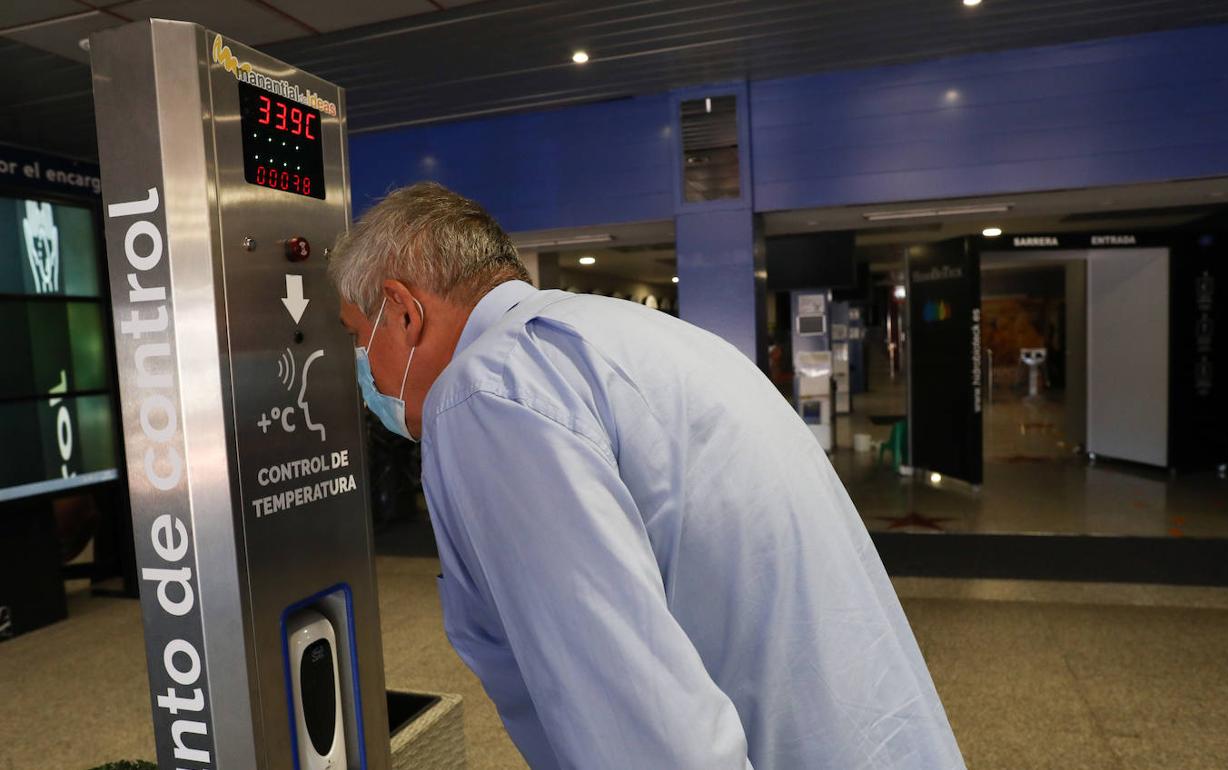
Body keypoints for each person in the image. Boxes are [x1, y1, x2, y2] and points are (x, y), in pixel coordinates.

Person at [331, 182, 965, 769]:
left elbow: (638, 721)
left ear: (403, 310)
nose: (364, 373)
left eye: (359, 339)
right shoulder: (638, 338)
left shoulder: (488, 393)